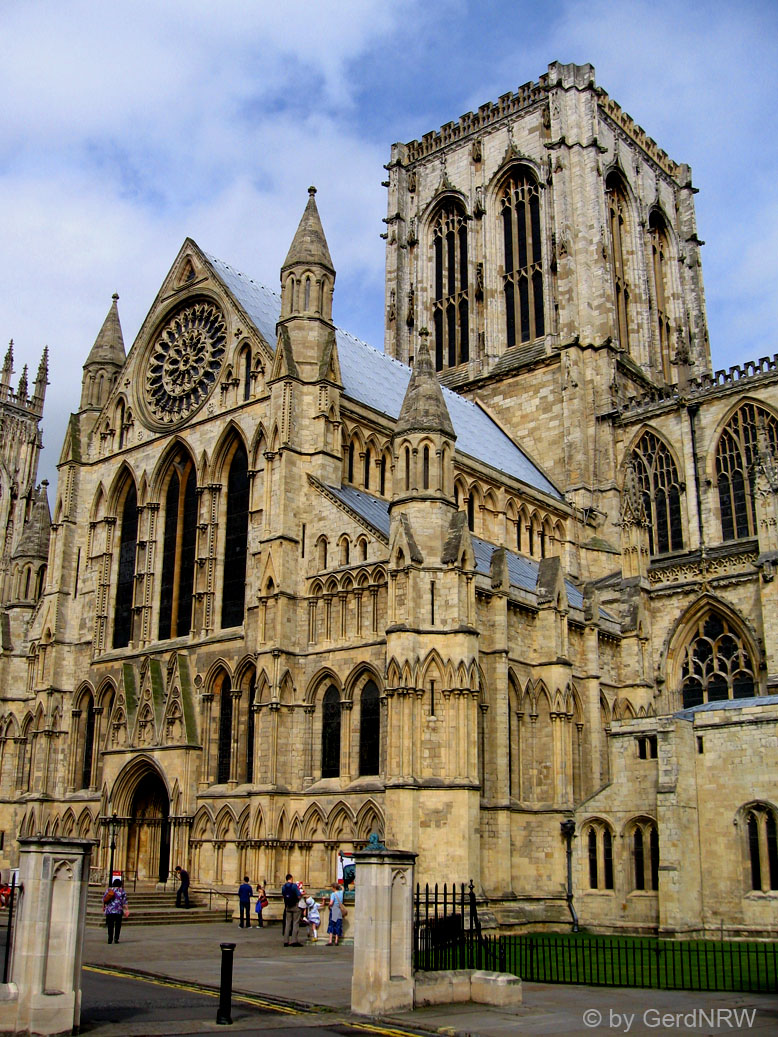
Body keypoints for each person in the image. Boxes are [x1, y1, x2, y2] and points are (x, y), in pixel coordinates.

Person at [103, 876, 128, 945]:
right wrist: (126, 910)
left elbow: (104, 899)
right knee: (118, 925)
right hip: (118, 911)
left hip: (110, 911)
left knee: (110, 925)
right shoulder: (122, 891)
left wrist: (104, 907)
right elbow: (125, 902)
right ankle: (116, 938)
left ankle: (110, 938)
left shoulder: (109, 890)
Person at [281, 873, 302, 946]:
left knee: (287, 923)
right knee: (295, 923)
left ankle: (286, 941)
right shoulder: (294, 886)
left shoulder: (283, 887)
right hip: (295, 906)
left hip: (288, 907)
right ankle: (294, 941)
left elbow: (283, 895)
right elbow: (299, 896)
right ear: (291, 878)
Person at [324, 881, 344, 946]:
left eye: (332, 887)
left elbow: (331, 903)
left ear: (334, 888)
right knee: (338, 924)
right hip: (339, 910)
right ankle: (336, 940)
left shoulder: (333, 894)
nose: (331, 889)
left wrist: (329, 906)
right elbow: (343, 888)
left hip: (334, 909)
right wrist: (340, 885)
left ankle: (330, 940)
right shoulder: (341, 893)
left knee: (332, 924)